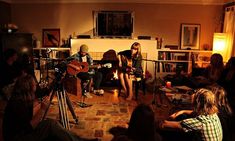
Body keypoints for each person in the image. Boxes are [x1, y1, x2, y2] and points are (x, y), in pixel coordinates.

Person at [2, 74, 98, 141]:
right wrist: (43, 109)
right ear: (29, 88)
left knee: (52, 124)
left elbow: (42, 93)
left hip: (21, 134)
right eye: (34, 84)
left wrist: (54, 83)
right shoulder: (18, 104)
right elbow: (29, 128)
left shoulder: (21, 97)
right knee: (51, 125)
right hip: (19, 138)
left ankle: (79, 139)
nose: (36, 85)